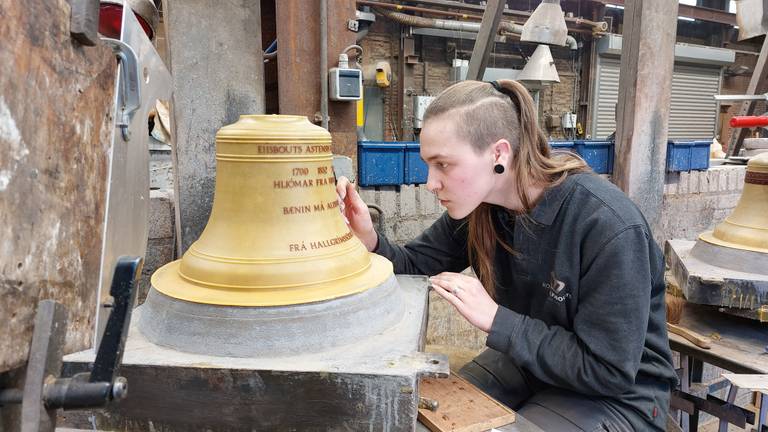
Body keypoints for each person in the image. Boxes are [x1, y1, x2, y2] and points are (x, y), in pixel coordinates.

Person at [337, 79, 678, 431]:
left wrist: (498, 320)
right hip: (529, 366)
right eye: (428, 165)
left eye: (443, 165)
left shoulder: (607, 225)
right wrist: (370, 240)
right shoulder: (482, 209)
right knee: (421, 418)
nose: (430, 183)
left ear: (498, 154)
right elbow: (414, 267)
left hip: (620, 397)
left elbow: (608, 369)